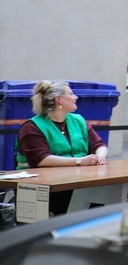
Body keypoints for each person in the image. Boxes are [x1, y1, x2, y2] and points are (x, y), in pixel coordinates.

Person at [15, 81, 109, 215]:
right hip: (44, 187)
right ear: (59, 100)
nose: (76, 97)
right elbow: (41, 159)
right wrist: (80, 161)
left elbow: (98, 145)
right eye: (71, 94)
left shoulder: (78, 120)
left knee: (100, 195)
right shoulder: (31, 127)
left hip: (77, 181)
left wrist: (100, 156)